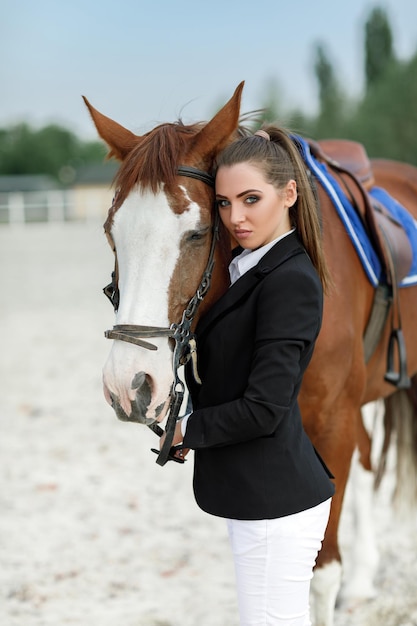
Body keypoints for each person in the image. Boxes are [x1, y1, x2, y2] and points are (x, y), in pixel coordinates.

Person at [162, 125, 335, 626]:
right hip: (259, 496)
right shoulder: (248, 266)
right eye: (222, 203)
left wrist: (187, 431)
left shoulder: (290, 281)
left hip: (276, 504)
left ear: (289, 194)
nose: (235, 218)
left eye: (250, 199)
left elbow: (264, 408)